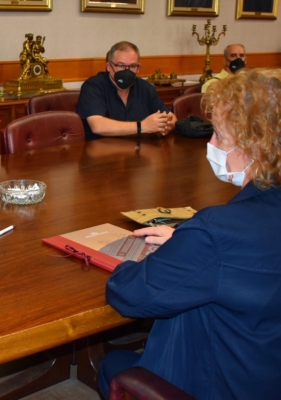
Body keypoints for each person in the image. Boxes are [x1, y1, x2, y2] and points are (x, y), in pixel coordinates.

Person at [98, 68, 281, 399]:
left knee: (113, 366)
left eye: (220, 137)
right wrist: (188, 243)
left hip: (221, 385)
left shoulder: (218, 231)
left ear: (257, 147)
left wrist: (182, 247)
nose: (210, 144)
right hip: (267, 371)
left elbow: (130, 295)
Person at [77, 41, 176, 141]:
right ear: (109, 67)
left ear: (138, 68)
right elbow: (98, 126)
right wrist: (142, 126)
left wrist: (168, 125)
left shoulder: (146, 88)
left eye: (132, 66)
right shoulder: (93, 86)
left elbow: (171, 117)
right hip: (103, 152)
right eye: (121, 65)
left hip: (140, 151)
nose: (127, 71)